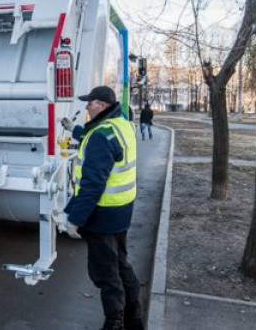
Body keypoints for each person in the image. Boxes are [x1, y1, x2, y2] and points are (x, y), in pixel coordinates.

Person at [60, 86, 144, 330]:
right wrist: (73, 129)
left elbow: (92, 185)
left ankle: (114, 322)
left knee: (106, 274)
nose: (87, 107)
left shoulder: (100, 136)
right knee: (120, 263)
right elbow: (98, 137)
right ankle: (134, 315)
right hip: (121, 211)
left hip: (102, 215)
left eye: (91, 103)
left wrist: (75, 219)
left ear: (103, 105)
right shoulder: (122, 124)